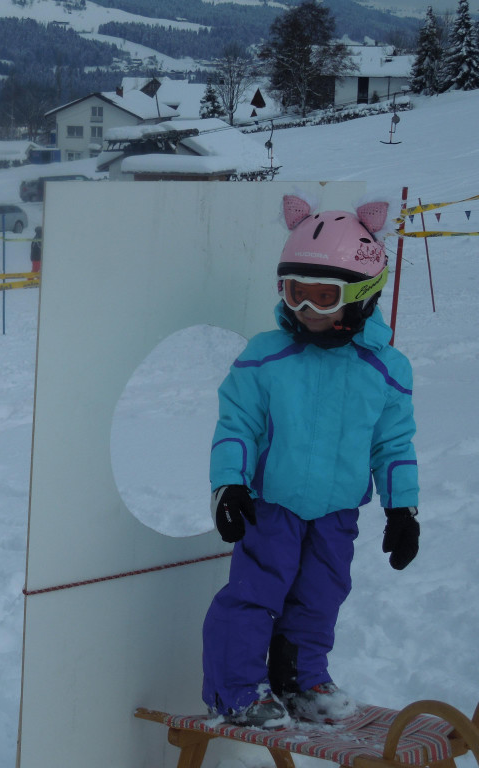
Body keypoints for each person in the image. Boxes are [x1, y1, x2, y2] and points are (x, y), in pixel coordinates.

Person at [202, 196, 420, 728]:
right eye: (295, 292)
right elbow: (237, 425)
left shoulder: (385, 369)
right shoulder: (265, 356)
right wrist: (229, 484)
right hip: (271, 507)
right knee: (254, 596)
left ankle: (301, 681)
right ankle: (236, 690)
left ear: (363, 296)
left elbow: (393, 445)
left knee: (320, 598)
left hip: (336, 513)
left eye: (325, 297)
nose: (307, 310)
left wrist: (402, 509)